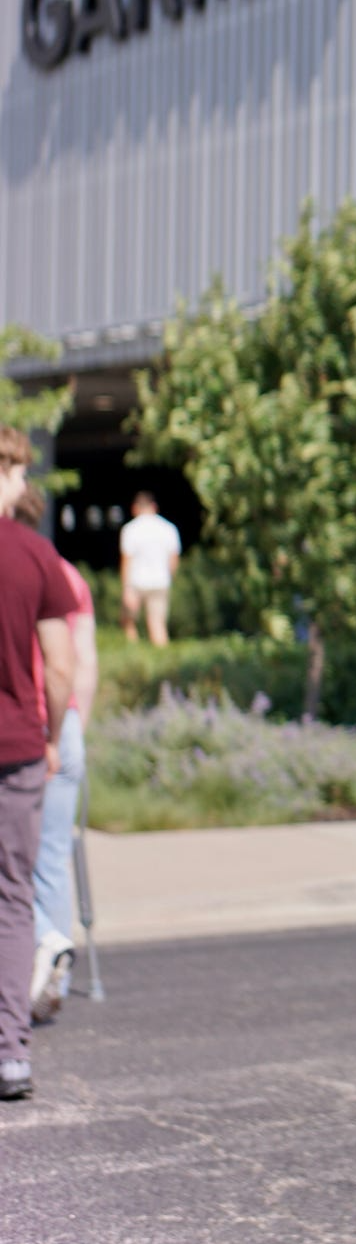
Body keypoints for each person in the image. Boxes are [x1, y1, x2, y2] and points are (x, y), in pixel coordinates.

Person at [0, 429, 75, 1102]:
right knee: (12, 898)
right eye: (20, 472)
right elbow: (58, 666)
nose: (25, 485)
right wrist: (52, 735)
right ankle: (10, 1054)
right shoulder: (33, 554)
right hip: (16, 747)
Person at [10, 485, 98, 1023]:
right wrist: (72, 729)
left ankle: (42, 943)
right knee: (51, 857)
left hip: (27, 727)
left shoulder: (18, 567)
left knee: (12, 862)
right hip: (65, 727)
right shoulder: (67, 574)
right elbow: (81, 661)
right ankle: (52, 969)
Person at [119, 490, 180, 645]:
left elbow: (126, 561)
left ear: (135, 508)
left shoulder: (130, 529)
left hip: (136, 582)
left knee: (129, 623)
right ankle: (163, 657)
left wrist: (126, 588)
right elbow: (173, 560)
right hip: (160, 581)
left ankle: (133, 653)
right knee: (158, 625)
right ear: (154, 506)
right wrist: (169, 578)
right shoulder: (169, 528)